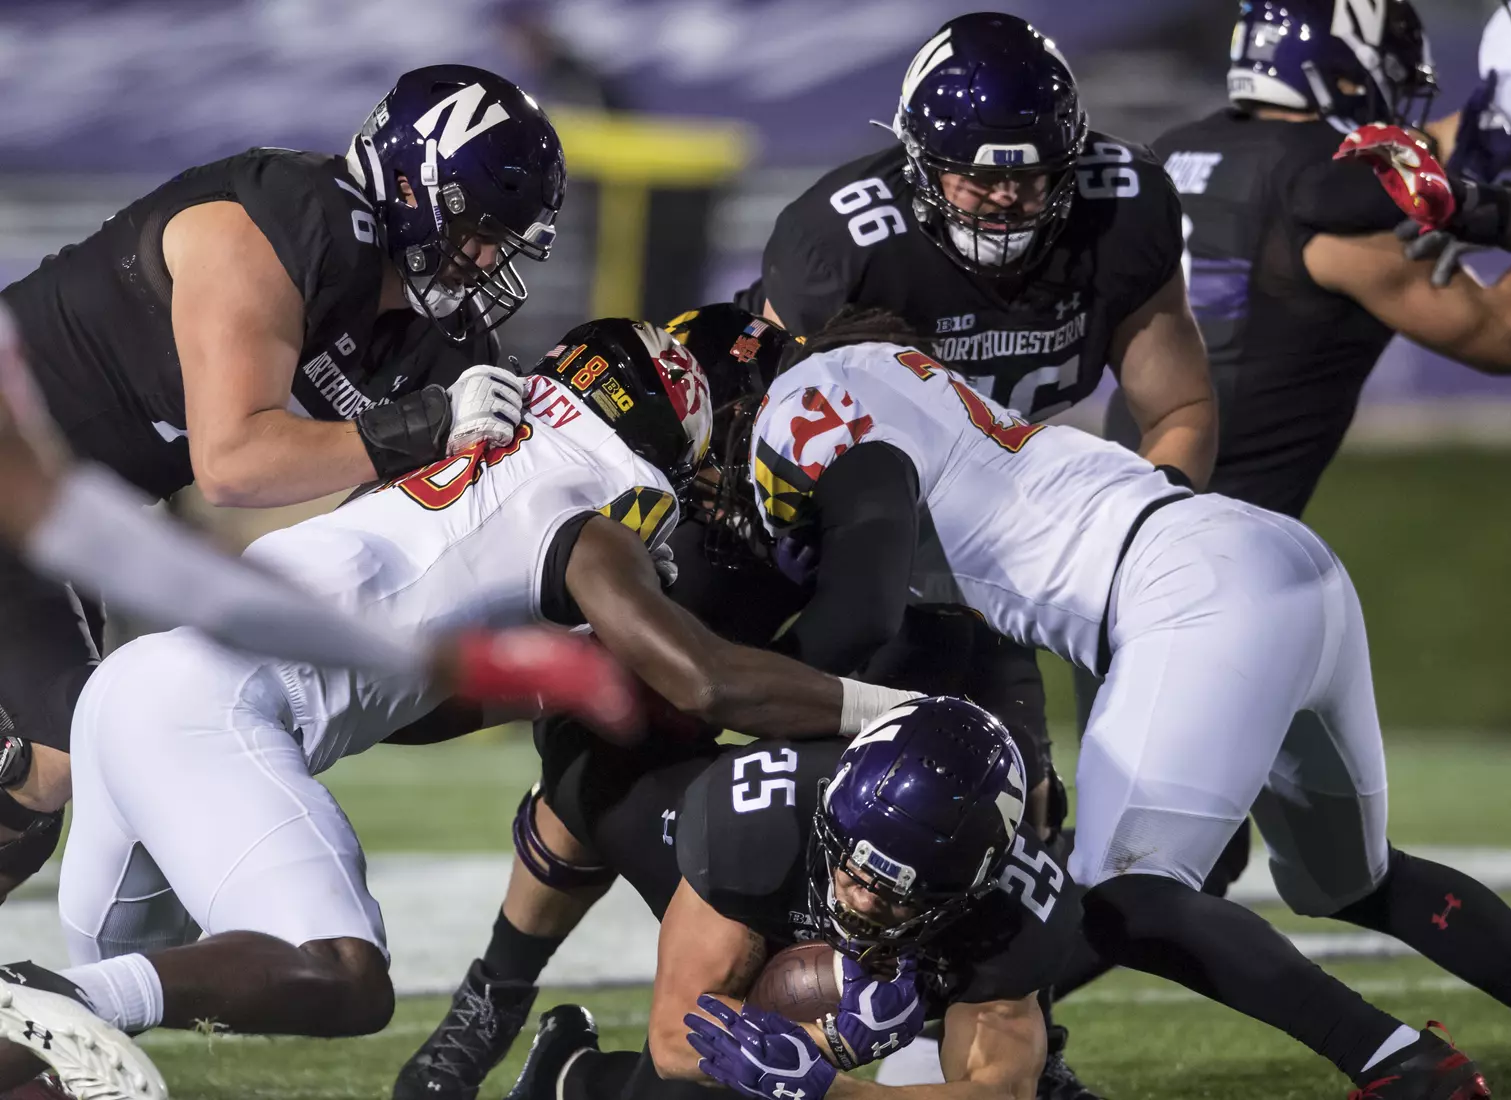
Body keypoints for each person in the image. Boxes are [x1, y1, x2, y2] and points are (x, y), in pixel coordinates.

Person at [0, 319, 920, 1100]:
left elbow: (400, 701)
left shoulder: (473, 468)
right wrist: (891, 712)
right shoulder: (584, 504)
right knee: (342, 976)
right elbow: (708, 681)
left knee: (68, 1048)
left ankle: (36, 998)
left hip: (131, 693)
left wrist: (541, 667)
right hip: (204, 713)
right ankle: (31, 983)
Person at [716, 308, 1505, 1099]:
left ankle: (1402, 1067)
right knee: (1351, 881)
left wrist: (732, 693)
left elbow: (859, 613)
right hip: (1275, 559)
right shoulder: (891, 374)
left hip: (1191, 595)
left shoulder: (805, 397)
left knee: (1124, 899)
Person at [390, 305, 1067, 1100]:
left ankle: (576, 1078)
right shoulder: (688, 491)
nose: (701, 476)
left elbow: (861, 629)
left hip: (901, 741)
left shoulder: (859, 458)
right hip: (802, 768)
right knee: (599, 741)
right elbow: (691, 689)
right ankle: (498, 998)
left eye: (716, 441)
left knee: (1005, 826)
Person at [740, 31, 1215, 1056]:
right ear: (918, 162)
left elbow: (1175, 402)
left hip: (1006, 563)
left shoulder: (1120, 208)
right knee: (827, 816)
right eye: (970, 175)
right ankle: (718, 1045)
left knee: (1020, 822)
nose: (1002, 201)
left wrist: (1144, 550)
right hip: (862, 553)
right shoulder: (841, 240)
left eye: (1029, 177)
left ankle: (997, 1054)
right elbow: (767, 414)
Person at [0, 63, 564, 897]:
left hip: (64, 518)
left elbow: (407, 525)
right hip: (33, 483)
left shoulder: (436, 351)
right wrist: (417, 427)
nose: (482, 260)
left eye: (501, 243)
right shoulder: (281, 220)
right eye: (474, 228)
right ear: (412, 184)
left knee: (54, 762)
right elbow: (231, 464)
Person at [501, 697, 1076, 1100]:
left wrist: (833, 1088)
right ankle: (569, 1071)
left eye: (898, 896)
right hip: (763, 888)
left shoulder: (1010, 913)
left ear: (968, 888)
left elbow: (995, 1093)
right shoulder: (758, 828)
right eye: (855, 870)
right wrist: (826, 1043)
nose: (862, 902)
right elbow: (676, 1036)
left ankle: (568, 1075)